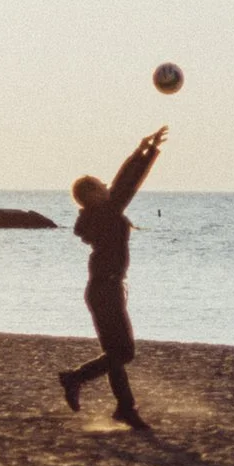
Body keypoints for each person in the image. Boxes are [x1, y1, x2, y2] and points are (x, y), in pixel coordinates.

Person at [56, 127, 167, 430]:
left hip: (102, 288)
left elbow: (121, 183)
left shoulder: (99, 212)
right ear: (91, 194)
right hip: (106, 289)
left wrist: (142, 150)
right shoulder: (105, 212)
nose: (106, 185)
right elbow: (128, 184)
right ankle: (75, 378)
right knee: (123, 352)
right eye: (99, 185)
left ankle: (125, 409)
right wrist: (146, 153)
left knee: (115, 354)